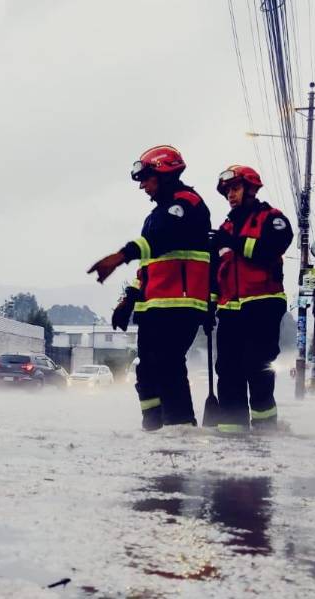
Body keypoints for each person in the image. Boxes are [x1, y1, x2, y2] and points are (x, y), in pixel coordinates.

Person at [87, 146, 211, 431]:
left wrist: (120, 256)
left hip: (181, 304)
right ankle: (153, 430)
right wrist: (129, 300)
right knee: (146, 370)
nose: (142, 186)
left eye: (146, 178)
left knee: (168, 364)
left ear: (164, 174)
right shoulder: (155, 215)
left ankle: (180, 431)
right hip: (153, 306)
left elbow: (163, 238)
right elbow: (148, 266)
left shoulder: (188, 204)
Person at [211, 165, 292, 432]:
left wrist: (234, 241)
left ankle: (265, 432)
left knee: (258, 368)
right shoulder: (225, 228)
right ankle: (231, 434)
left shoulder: (273, 219)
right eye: (227, 192)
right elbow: (216, 272)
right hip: (229, 312)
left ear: (251, 189)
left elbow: (270, 250)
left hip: (263, 306)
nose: (230, 195)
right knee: (227, 370)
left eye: (235, 188)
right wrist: (209, 306)